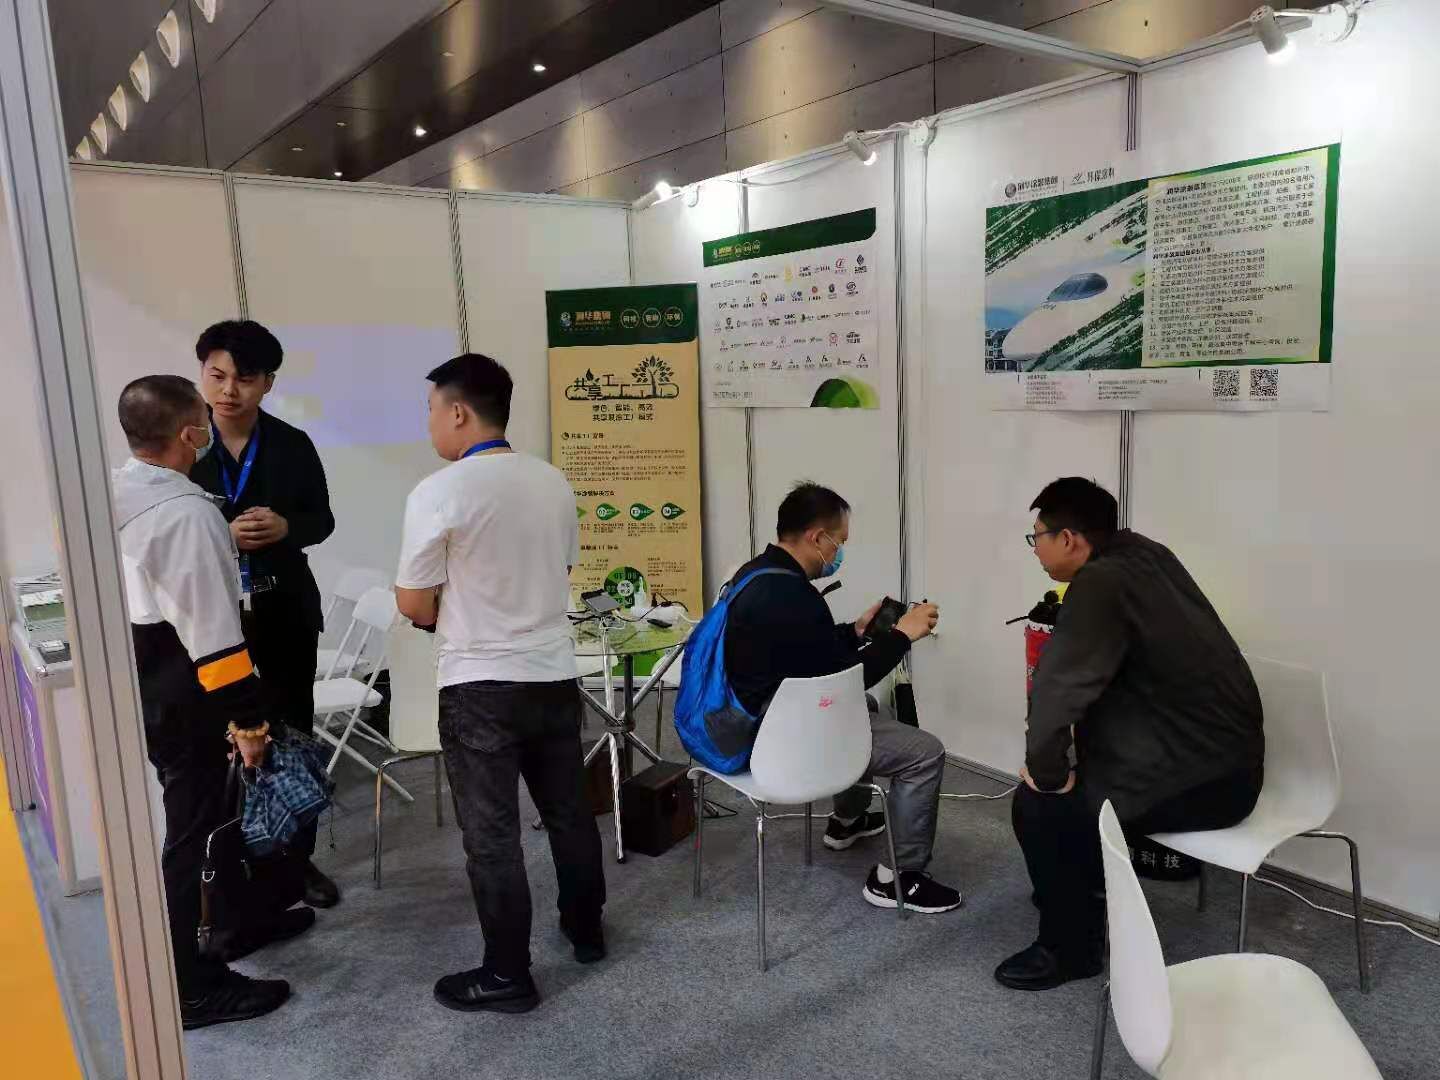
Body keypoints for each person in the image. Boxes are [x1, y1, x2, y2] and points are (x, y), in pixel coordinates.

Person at [395, 353, 606, 1016]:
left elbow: (413, 602)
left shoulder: (439, 491)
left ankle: (507, 973)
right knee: (568, 813)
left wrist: (444, 611)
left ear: (459, 412)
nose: (431, 423)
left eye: (432, 410)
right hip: (553, 674)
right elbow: (561, 571)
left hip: (479, 684)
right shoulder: (552, 482)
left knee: (492, 835)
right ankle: (586, 931)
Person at [996, 477, 1264, 991]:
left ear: (1068, 539)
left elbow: (1054, 696)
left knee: (1040, 806)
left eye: (1037, 537)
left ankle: (1071, 949)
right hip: (1228, 762)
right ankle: (1077, 886)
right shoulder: (1148, 555)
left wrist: (1049, 775)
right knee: (1076, 783)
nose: (1036, 549)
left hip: (1204, 782)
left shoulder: (1099, 584)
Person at [114, 375, 305, 1028]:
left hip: (152, 681)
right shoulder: (186, 515)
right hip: (189, 693)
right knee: (194, 835)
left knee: (209, 823)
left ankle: (234, 925)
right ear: (190, 434)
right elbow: (214, 636)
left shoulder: (116, 492)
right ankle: (191, 987)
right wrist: (248, 720)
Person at [723, 482, 961, 914]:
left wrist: (854, 631)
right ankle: (898, 879)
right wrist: (901, 636)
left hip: (746, 718)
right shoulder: (795, 597)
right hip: (779, 742)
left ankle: (846, 821)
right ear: (817, 537)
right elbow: (847, 681)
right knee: (925, 753)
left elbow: (804, 652)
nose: (839, 553)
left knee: (865, 710)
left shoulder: (755, 575)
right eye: (840, 542)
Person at [190, 319, 340, 910]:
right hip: (214, 620)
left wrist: (286, 528)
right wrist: (220, 535)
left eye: (245, 379)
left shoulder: (291, 444)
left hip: (284, 612)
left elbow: (322, 520)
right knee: (220, 740)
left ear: (268, 383)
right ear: (202, 374)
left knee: (292, 734)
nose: (229, 391)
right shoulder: (184, 446)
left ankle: (298, 861)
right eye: (217, 375)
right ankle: (228, 861)